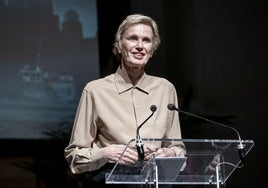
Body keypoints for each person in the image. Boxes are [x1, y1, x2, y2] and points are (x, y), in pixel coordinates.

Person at [64, 14, 186, 187]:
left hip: (157, 181)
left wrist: (170, 153)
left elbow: (178, 148)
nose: (139, 46)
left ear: (152, 50)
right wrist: (105, 153)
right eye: (132, 38)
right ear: (119, 46)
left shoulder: (166, 89)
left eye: (146, 40)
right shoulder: (95, 91)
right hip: (111, 180)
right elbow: (74, 155)